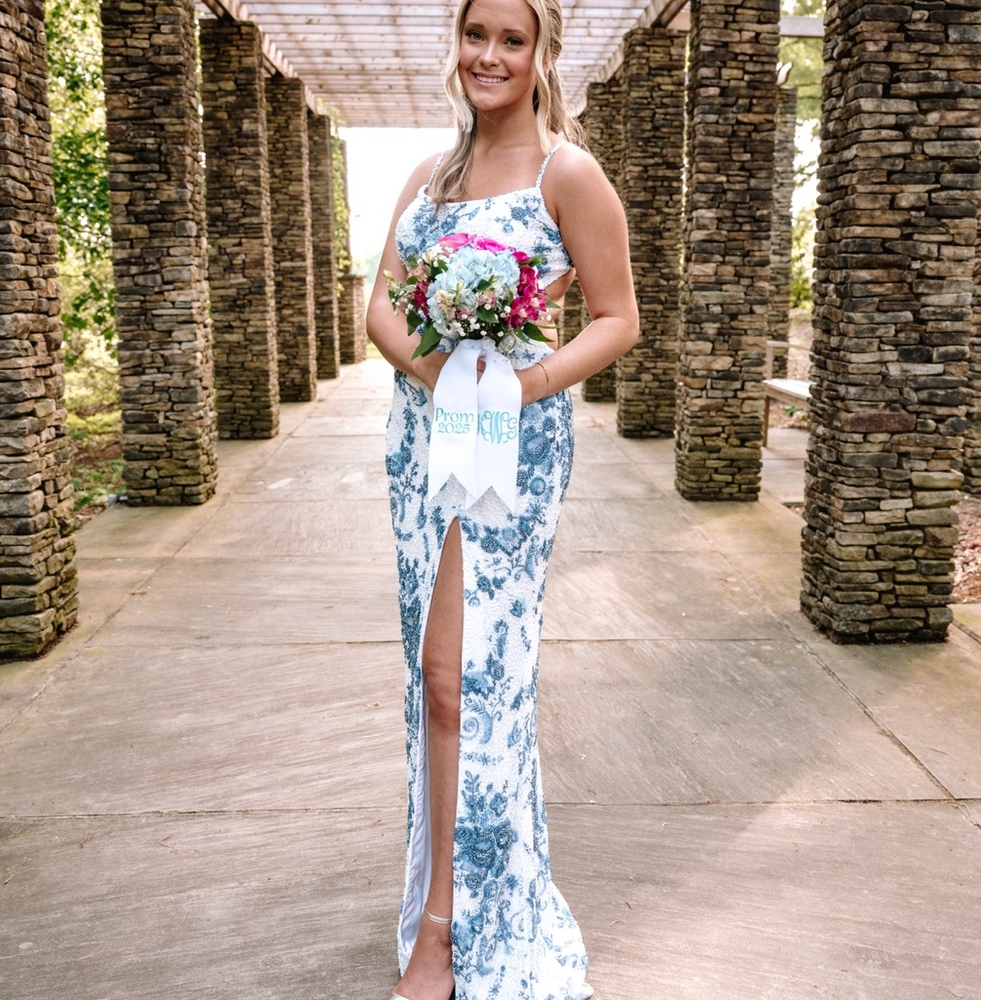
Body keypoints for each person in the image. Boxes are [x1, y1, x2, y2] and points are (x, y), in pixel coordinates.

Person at [366, 1, 638, 997]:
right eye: (475, 33)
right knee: (433, 682)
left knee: (476, 676)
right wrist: (437, 372)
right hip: (422, 445)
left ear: (541, 54)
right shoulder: (430, 178)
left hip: (514, 449)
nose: (488, 54)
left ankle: (455, 924)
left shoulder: (568, 172)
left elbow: (617, 318)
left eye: (510, 39)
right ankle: (441, 900)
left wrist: (517, 383)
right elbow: (381, 306)